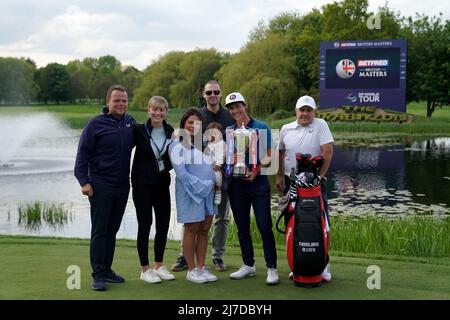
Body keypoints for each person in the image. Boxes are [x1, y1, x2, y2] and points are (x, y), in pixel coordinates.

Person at [74, 84, 135, 291]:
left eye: (124, 100)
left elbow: (146, 142)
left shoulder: (129, 123)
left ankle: (107, 270)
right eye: (116, 100)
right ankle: (98, 275)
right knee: (100, 231)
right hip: (100, 185)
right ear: (108, 102)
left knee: (112, 230)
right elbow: (82, 155)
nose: (121, 104)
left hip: (122, 185)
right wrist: (84, 182)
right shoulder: (95, 124)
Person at [171, 80, 234, 272]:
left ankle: (217, 256)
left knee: (220, 218)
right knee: (193, 221)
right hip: (197, 180)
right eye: (209, 92)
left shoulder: (229, 116)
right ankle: (185, 257)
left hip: (222, 176)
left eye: (216, 92)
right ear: (204, 95)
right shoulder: (197, 116)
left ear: (220, 94)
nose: (212, 95)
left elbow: (234, 144)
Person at [275, 94, 334, 281]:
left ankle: (323, 265)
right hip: (292, 183)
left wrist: (320, 177)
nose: (305, 113)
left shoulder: (321, 125)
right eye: (302, 110)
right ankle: (297, 262)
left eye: (309, 110)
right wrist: (278, 174)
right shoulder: (286, 128)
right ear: (296, 111)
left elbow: (328, 151)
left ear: (314, 112)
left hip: (314, 185)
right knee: (292, 222)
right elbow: (281, 151)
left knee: (322, 222)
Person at [224, 92, 280, 285]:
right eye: (231, 108)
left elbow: (270, 154)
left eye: (238, 106)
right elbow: (226, 156)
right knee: (242, 227)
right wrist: (226, 163)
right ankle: (248, 265)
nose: (235, 110)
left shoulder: (261, 127)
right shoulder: (229, 131)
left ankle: (272, 268)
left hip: (258, 184)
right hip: (237, 185)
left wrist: (256, 170)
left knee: (264, 226)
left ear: (245, 105)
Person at [168, 107, 218, 284]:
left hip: (207, 193)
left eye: (197, 123)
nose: (193, 126)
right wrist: (203, 185)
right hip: (191, 193)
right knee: (192, 229)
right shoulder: (177, 143)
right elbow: (181, 173)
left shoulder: (199, 143)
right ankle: (191, 269)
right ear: (184, 123)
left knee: (204, 229)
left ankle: (201, 267)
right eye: (190, 122)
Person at [131, 96, 175, 284]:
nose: (158, 113)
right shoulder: (139, 131)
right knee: (145, 225)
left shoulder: (170, 130)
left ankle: (159, 265)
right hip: (142, 186)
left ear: (166, 112)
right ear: (148, 110)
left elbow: (172, 157)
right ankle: (145, 269)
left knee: (163, 224)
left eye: (162, 110)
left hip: (162, 184)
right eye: (154, 109)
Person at [204, 122, 226, 205]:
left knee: (218, 176)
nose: (213, 135)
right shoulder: (209, 144)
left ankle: (218, 191)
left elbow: (222, 155)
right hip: (209, 165)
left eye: (216, 133)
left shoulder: (222, 144)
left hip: (216, 166)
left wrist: (218, 164)